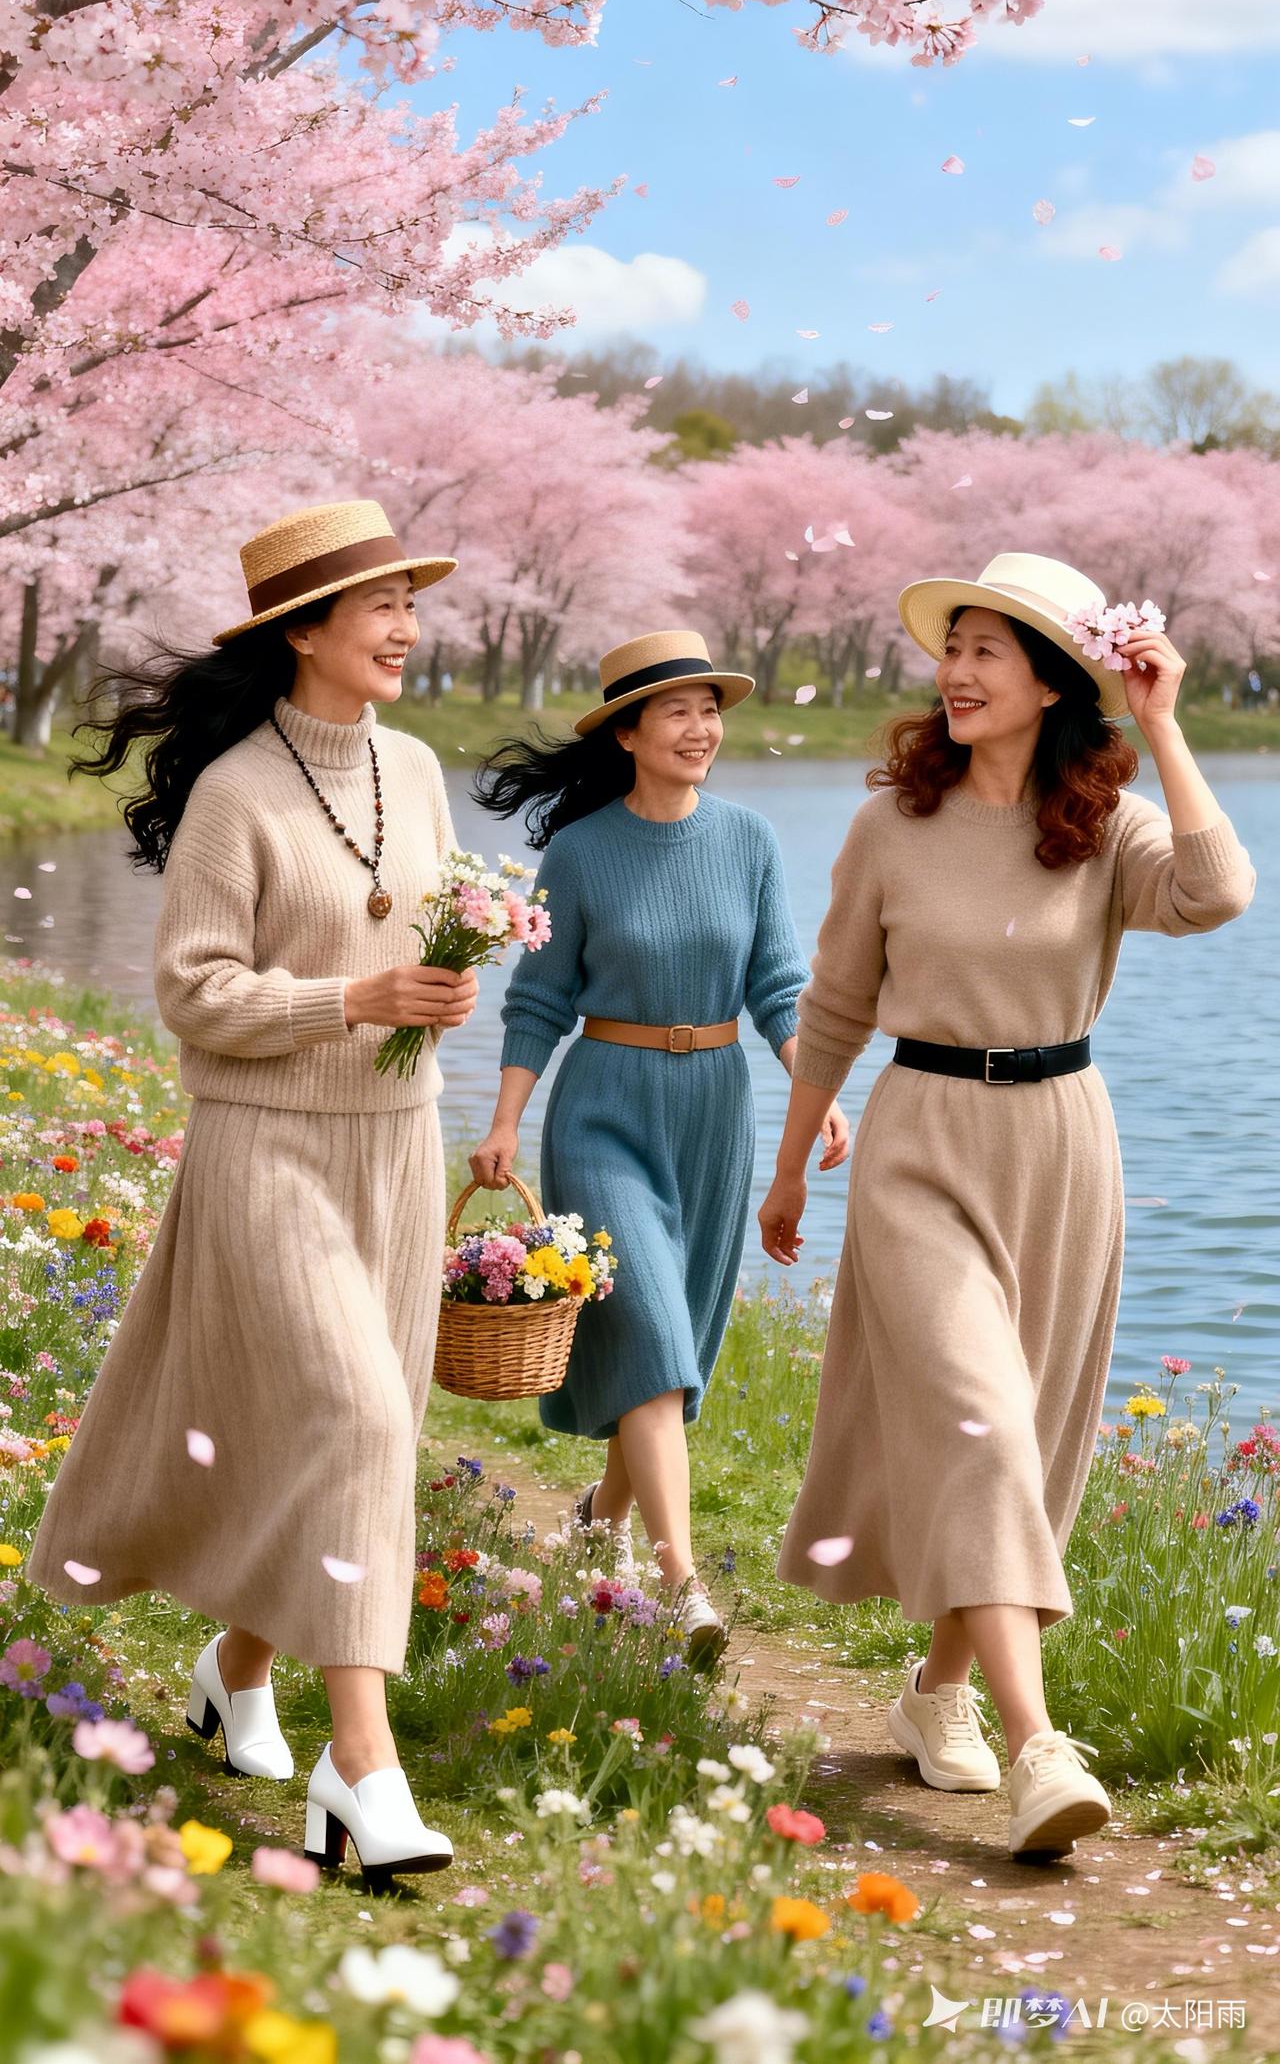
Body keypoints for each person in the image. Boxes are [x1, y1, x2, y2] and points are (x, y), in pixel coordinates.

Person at [761, 553, 1254, 1859]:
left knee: (1016, 1439)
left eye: (988, 650)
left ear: (1050, 684)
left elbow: (1217, 892)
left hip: (1060, 1146)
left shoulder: (1104, 825)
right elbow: (835, 1005)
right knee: (977, 1421)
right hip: (920, 1139)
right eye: (953, 646)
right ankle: (1040, 1746)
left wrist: (1161, 724)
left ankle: (938, 1689)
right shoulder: (890, 825)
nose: (957, 671)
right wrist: (791, 1161)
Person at [27, 500, 478, 1883]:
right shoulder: (235, 791)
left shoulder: (415, 766)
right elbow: (193, 990)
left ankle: (235, 1674)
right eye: (379, 605)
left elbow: (428, 922)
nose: (405, 626)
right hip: (267, 1147)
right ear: (303, 630)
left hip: (397, 1147)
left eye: (409, 601)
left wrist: (449, 977)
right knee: (354, 1414)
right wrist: (353, 997)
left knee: (362, 1435)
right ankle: (363, 1766)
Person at [470, 630, 848, 1659]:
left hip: (715, 1112)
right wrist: (504, 1119)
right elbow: (538, 998)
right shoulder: (580, 851)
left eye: (709, 709)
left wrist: (812, 1089)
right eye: (675, 710)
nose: (699, 727)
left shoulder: (749, 840)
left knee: (669, 1348)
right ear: (627, 733)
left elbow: (778, 984)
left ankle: (601, 1519)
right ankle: (681, 1583)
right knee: (648, 1327)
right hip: (603, 1108)